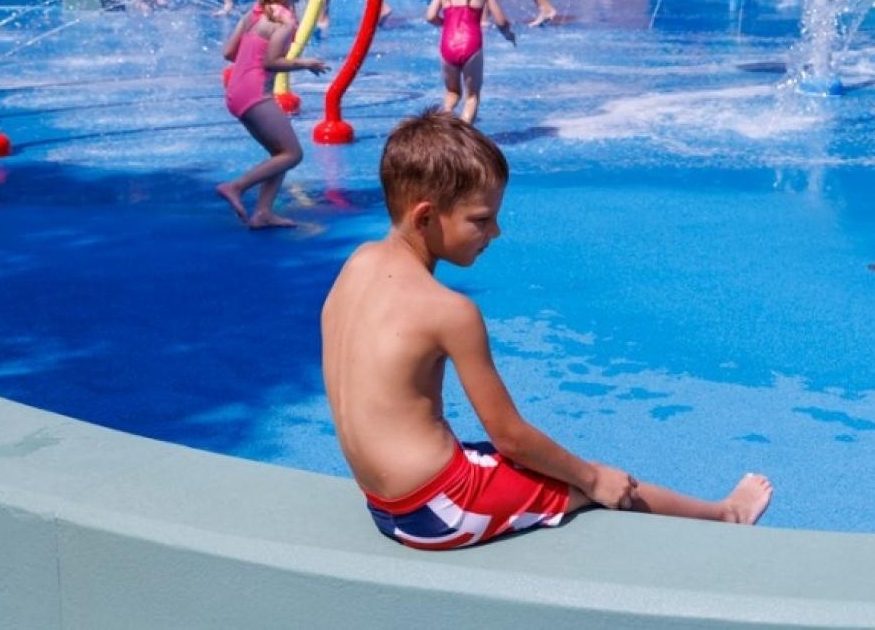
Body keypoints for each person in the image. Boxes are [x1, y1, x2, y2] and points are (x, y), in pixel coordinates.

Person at [321, 110, 774, 550]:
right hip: (438, 512)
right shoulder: (450, 312)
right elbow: (510, 436)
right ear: (425, 218)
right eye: (480, 219)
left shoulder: (357, 264)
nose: (494, 232)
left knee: (538, 464)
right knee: (594, 481)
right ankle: (727, 516)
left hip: (384, 501)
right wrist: (592, 478)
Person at [216, 0, 329, 229]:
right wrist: (305, 63)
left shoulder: (255, 13)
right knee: (293, 155)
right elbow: (271, 62)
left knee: (279, 154)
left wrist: (251, 55)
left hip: (236, 92)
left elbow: (229, 52)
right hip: (255, 95)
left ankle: (263, 213)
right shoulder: (285, 22)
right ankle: (236, 187)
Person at [425, 0, 513, 124]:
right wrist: (509, 35)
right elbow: (501, 21)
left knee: (451, 93)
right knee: (472, 96)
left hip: (448, 43)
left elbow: (430, 16)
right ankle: (464, 132)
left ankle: (444, 122)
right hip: (471, 44)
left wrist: (446, 24)